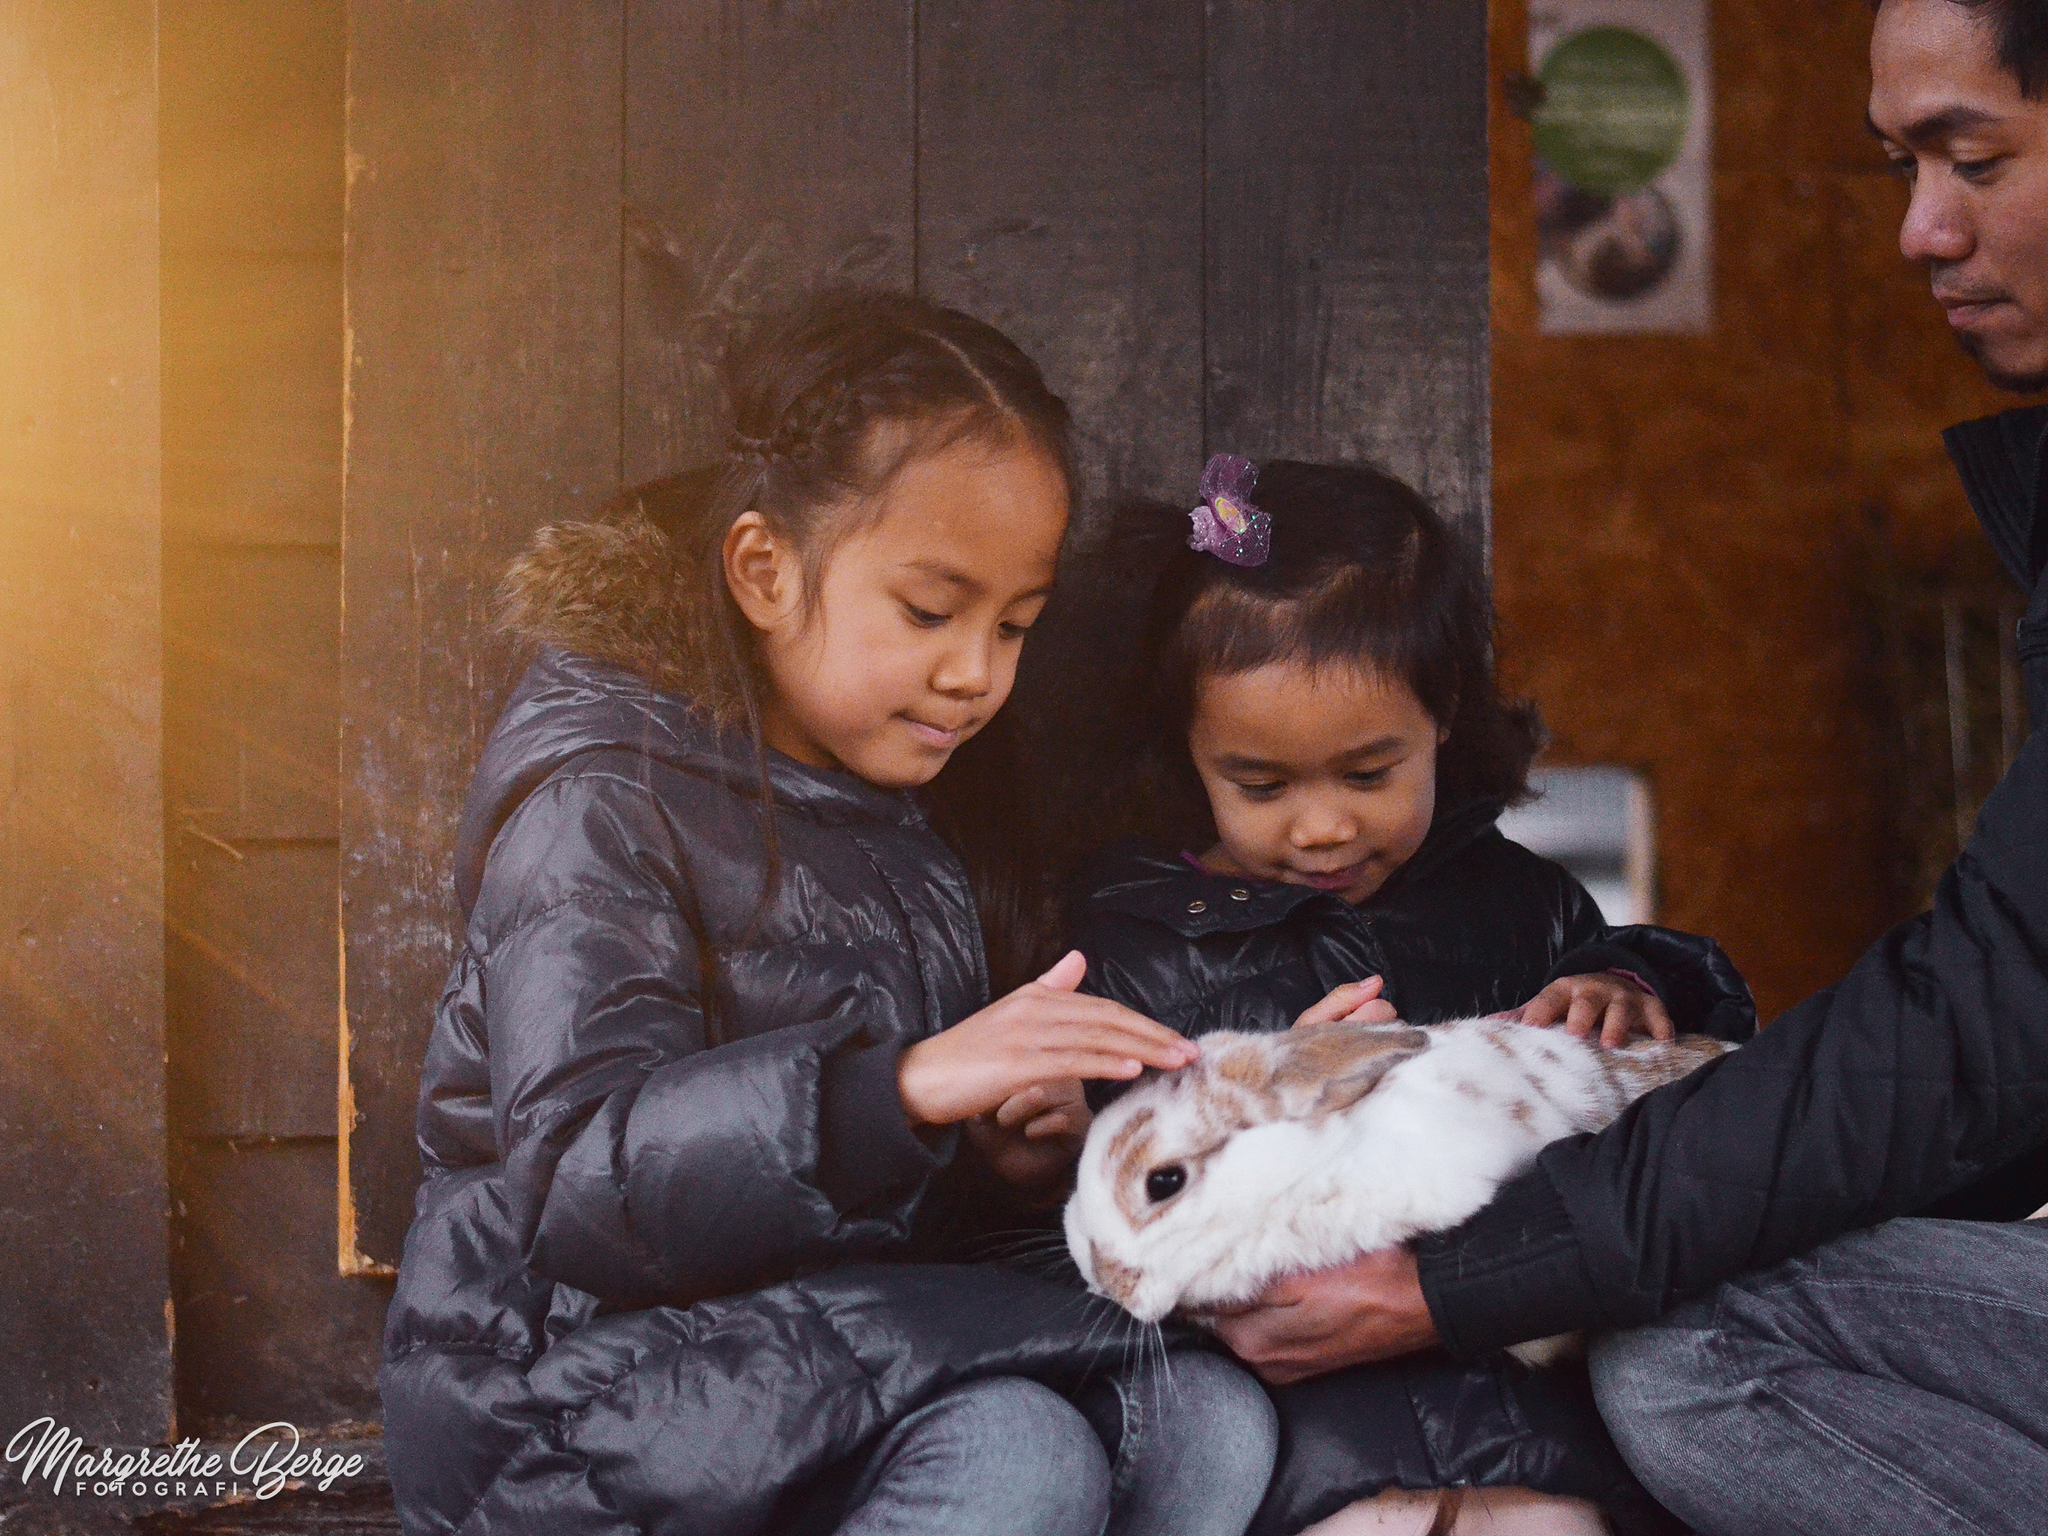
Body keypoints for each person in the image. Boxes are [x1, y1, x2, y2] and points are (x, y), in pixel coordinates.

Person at [1206, 3, 2048, 1532]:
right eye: (1901, 168)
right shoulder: (1139, 926)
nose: (1923, 230)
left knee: (1699, 1341)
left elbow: (1996, 1006)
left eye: (1972, 158)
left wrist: (1466, 1271)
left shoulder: (1509, 903)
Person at [378, 289, 1279, 1536]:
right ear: (763, 568)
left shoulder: (932, 800)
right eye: (929, 612)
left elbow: (899, 1189)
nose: (976, 674)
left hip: (811, 1345)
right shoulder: (601, 793)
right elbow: (580, 1182)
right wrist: (898, 1089)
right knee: (1017, 1450)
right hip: (564, 1378)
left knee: (1202, 1418)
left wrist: (1008, 1158)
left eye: (1013, 626)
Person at [1063, 459, 1753, 1536]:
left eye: (1367, 772)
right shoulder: (1134, 942)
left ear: (1440, 718)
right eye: (1262, 785)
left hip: (1534, 1416)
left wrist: (1625, 984)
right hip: (1311, 1452)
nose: (1322, 827)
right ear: (1190, 753)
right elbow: (1127, 1227)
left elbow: (1649, 1089)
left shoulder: (1516, 903)